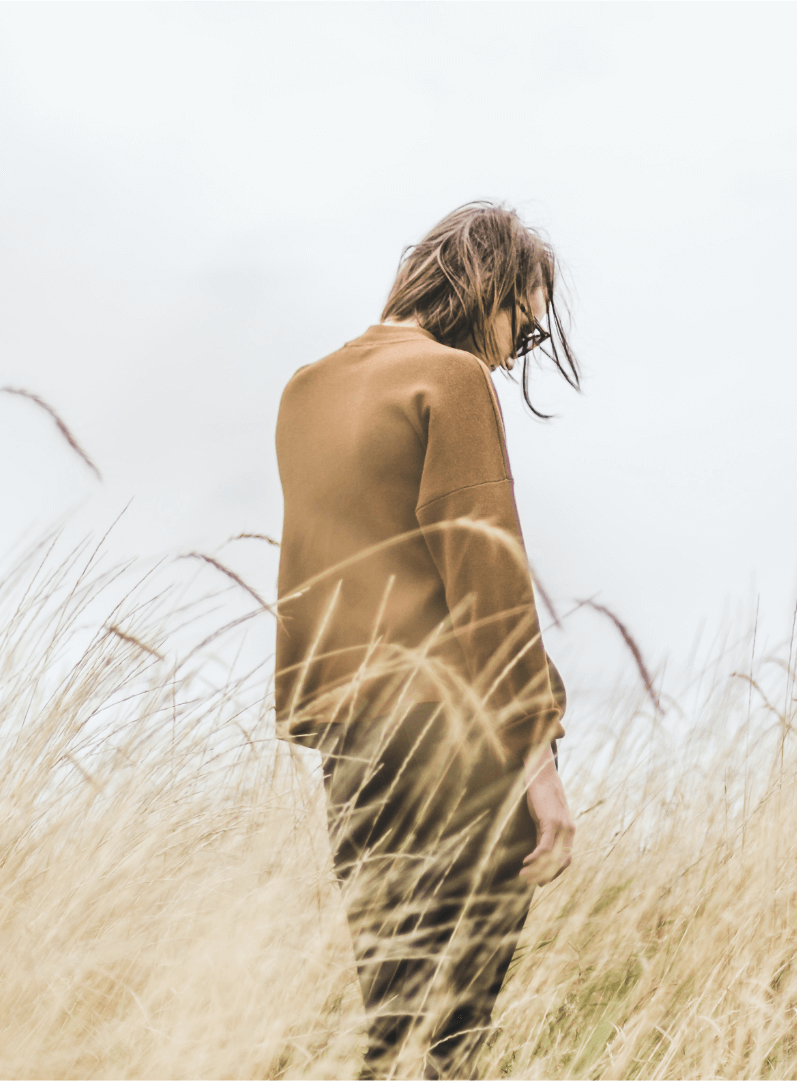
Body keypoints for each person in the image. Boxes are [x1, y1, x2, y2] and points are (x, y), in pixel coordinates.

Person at [274, 201, 579, 1080]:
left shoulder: (305, 389)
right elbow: (486, 577)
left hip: (351, 745)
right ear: (482, 286)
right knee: (457, 1033)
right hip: (456, 738)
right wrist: (537, 757)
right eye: (519, 324)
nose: (508, 352)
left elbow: (312, 577)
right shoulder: (449, 380)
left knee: (389, 1013)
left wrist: (328, 724)